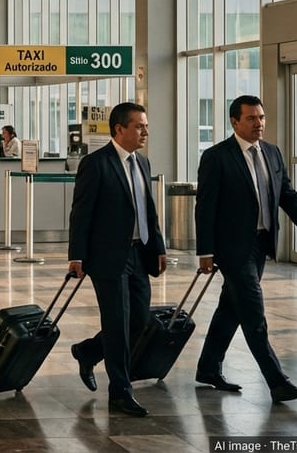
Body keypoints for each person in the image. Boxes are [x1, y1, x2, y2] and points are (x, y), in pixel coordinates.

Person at [194, 95, 297, 403]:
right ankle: (276, 381)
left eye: (261, 118)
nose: (259, 124)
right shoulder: (216, 157)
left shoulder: (272, 153)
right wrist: (205, 251)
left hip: (261, 243)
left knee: (231, 308)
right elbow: (205, 207)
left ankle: (208, 367)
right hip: (232, 247)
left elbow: (286, 194)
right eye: (251, 118)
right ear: (234, 122)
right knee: (253, 312)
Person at [66, 102, 167, 418]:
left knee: (139, 319)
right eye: (139, 126)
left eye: (146, 126)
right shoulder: (96, 164)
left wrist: (159, 248)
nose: (145, 132)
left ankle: (89, 350)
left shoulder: (143, 163)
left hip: (139, 252)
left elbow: (148, 211)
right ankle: (120, 391)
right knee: (118, 322)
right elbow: (81, 213)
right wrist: (77, 256)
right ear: (119, 129)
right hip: (107, 257)